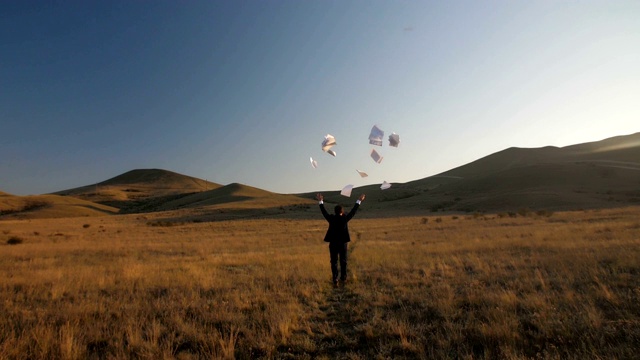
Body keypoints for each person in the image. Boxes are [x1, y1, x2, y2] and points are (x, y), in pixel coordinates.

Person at [316, 192, 366, 287]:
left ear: (335, 212)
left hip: (333, 244)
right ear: (342, 212)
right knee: (343, 261)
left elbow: (324, 212)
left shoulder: (331, 218)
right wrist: (359, 200)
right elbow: (353, 211)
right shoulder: (345, 218)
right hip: (343, 244)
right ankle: (343, 277)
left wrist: (320, 201)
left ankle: (335, 279)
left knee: (334, 261)